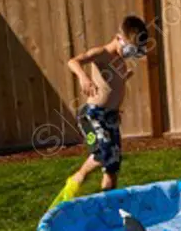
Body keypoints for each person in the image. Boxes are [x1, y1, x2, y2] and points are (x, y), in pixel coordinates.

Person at [49, 16, 150, 209]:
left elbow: (110, 87)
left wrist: (122, 84)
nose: (130, 54)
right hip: (93, 115)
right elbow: (73, 61)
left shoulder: (120, 62)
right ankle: (77, 177)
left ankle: (108, 205)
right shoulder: (102, 53)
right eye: (130, 49)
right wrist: (83, 77)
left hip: (110, 116)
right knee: (103, 152)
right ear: (119, 37)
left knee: (112, 166)